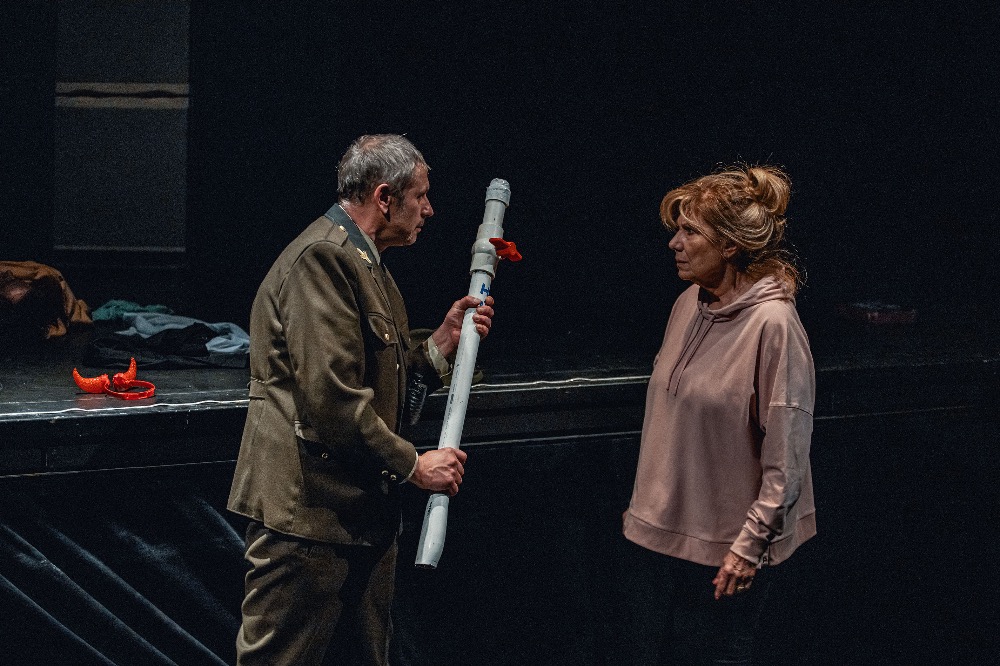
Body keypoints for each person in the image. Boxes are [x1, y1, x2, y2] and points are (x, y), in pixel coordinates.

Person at [227, 134, 495, 666]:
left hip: (355, 515)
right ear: (385, 197)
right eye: (420, 196)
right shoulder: (323, 259)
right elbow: (332, 399)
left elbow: (380, 380)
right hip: (309, 518)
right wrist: (414, 466)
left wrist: (441, 343)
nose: (429, 210)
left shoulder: (367, 264)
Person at [622, 165, 816, 664]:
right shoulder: (688, 302)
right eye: (677, 230)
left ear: (729, 245)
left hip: (728, 554)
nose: (675, 243)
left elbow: (787, 458)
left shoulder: (774, 324)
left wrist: (749, 547)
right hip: (662, 541)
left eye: (690, 232)